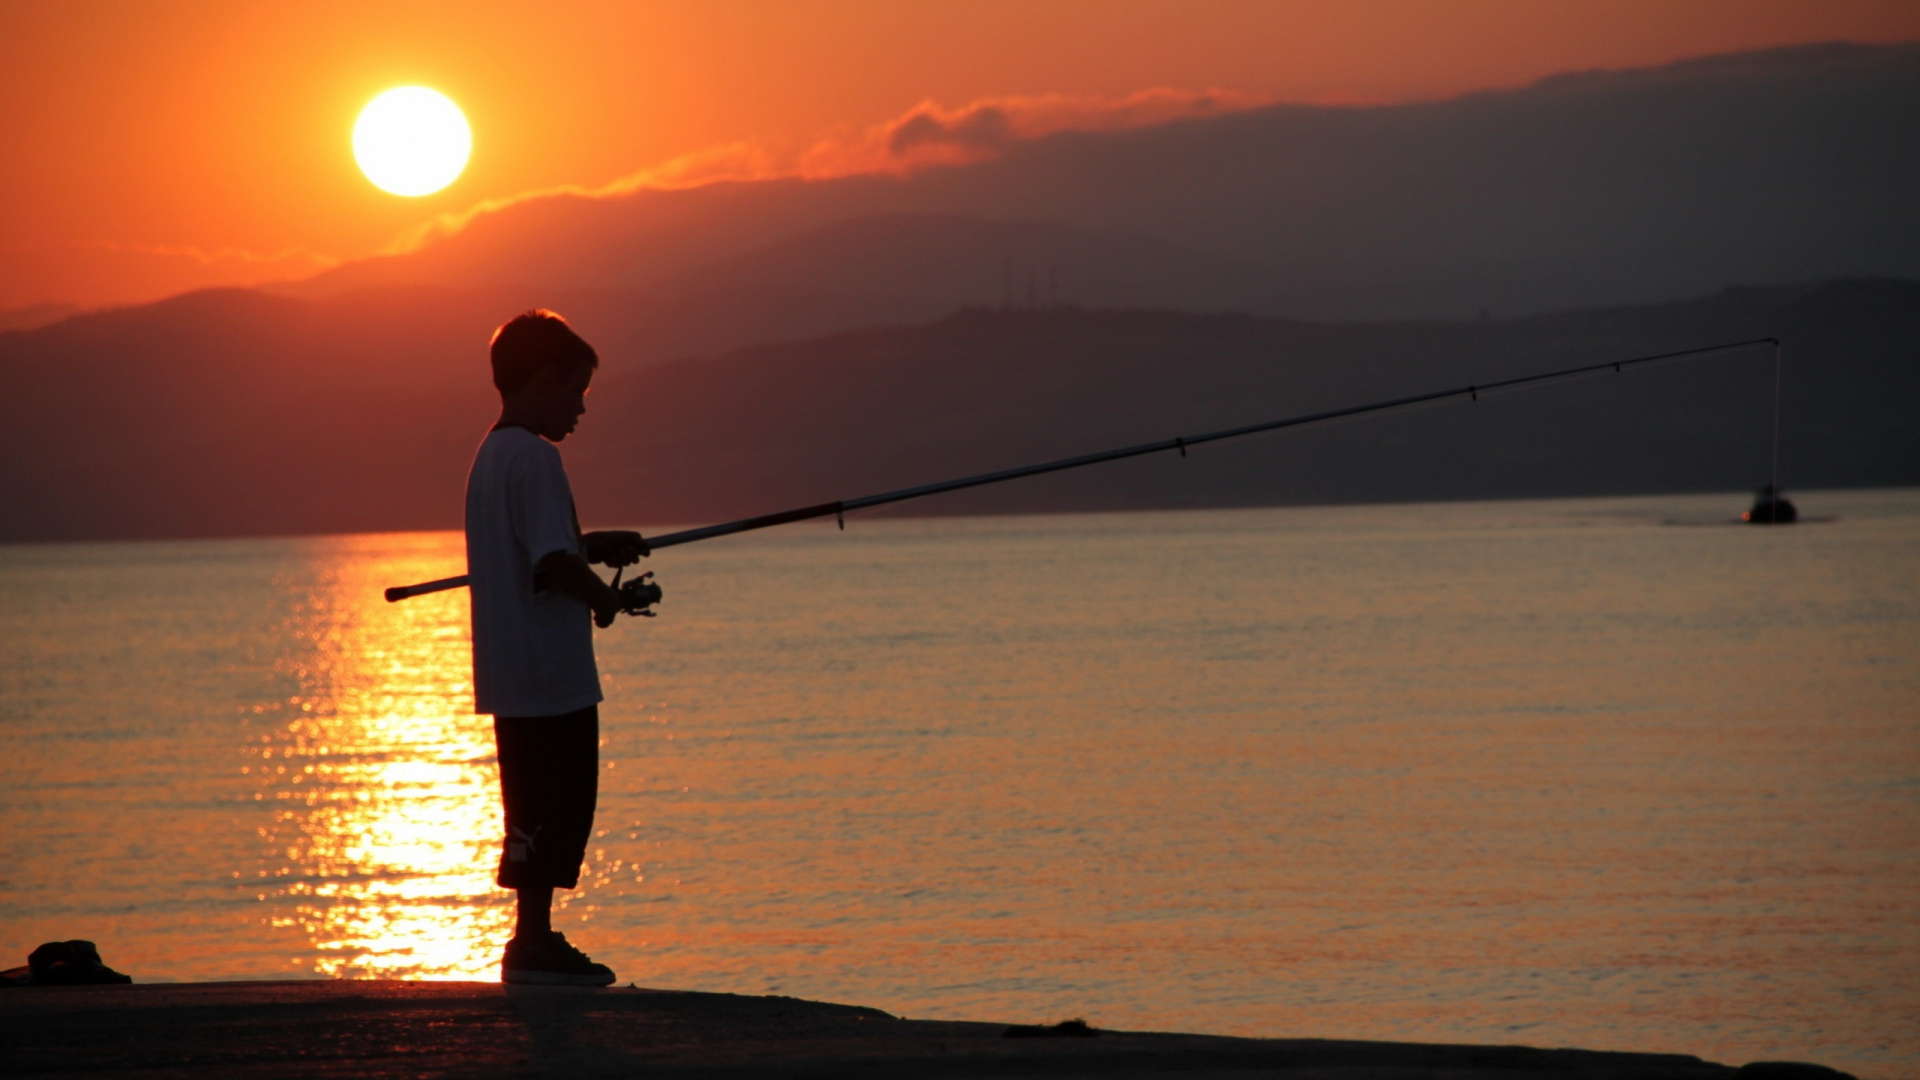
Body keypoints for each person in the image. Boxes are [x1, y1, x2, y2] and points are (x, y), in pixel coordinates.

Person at [465, 309, 646, 986]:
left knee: (530, 810)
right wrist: (607, 599)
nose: (580, 410)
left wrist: (588, 547)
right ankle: (533, 944)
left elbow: (540, 557)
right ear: (545, 380)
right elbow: (555, 565)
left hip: (512, 673)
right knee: (558, 806)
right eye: (577, 391)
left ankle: (531, 937)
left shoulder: (491, 456)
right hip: (550, 675)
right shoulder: (540, 458)